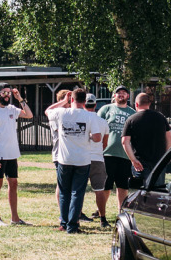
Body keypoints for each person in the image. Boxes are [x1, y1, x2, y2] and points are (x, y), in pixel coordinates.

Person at [45, 88, 105, 233]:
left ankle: (64, 223)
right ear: (85, 102)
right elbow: (98, 138)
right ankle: (73, 225)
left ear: (72, 99)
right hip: (83, 160)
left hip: (64, 159)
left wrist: (63, 101)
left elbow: (47, 111)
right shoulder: (90, 116)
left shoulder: (61, 113)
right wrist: (87, 137)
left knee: (64, 192)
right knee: (77, 193)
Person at [0, 82, 33, 226]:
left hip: (12, 153)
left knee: (13, 183)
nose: (7, 96)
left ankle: (15, 218)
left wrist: (20, 99)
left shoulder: (12, 108)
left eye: (9, 93)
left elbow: (29, 115)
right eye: (4, 93)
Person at [121, 91, 171, 189]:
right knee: (157, 191)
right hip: (159, 161)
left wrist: (133, 160)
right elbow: (169, 138)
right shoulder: (161, 118)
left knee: (140, 192)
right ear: (149, 104)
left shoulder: (131, 120)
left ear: (136, 104)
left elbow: (125, 141)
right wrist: (166, 158)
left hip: (140, 163)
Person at [97, 85, 137, 212]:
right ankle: (101, 211)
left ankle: (122, 211)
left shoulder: (132, 113)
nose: (121, 95)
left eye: (124, 93)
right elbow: (97, 126)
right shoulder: (106, 109)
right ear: (114, 95)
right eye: (118, 93)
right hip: (107, 153)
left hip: (125, 155)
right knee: (106, 186)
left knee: (123, 186)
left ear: (128, 96)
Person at [84, 93, 112, 226]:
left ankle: (76, 214)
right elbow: (105, 143)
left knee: (78, 189)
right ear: (95, 105)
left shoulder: (81, 118)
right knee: (99, 189)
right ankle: (103, 218)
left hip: (82, 157)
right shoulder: (103, 122)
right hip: (98, 158)